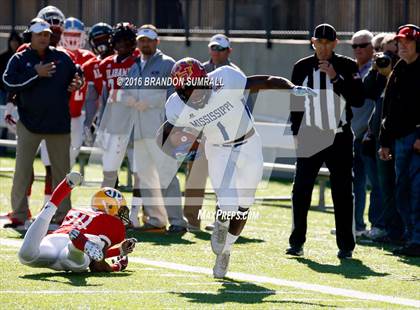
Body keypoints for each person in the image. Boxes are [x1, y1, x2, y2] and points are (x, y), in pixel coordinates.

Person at [159, 57, 315, 278]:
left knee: (244, 205)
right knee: (228, 202)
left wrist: (290, 88)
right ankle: (221, 221)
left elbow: (266, 81)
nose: (197, 94)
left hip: (249, 143)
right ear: (180, 91)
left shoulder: (225, 79)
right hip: (218, 148)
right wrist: (176, 144)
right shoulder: (174, 106)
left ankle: (227, 250)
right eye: (190, 90)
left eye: (199, 88)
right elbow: (172, 135)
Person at [287, 24, 365, 259]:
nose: (322, 47)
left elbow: (358, 99)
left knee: (342, 192)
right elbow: (295, 102)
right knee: (301, 189)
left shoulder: (348, 66)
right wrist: (296, 132)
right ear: (313, 42)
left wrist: (335, 77)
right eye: (318, 42)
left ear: (334, 44)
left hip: (339, 136)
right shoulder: (301, 67)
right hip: (310, 134)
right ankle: (296, 242)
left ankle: (346, 246)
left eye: (326, 43)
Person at [2, 19, 83, 228]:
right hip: (28, 123)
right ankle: (19, 214)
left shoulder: (62, 57)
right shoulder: (19, 58)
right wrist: (35, 74)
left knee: (62, 173)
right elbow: (8, 83)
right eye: (39, 34)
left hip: (58, 125)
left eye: (46, 34)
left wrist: (78, 82)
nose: (44, 38)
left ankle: (62, 215)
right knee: (22, 171)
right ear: (30, 36)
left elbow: (77, 75)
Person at [123, 24, 187, 233]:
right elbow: (125, 92)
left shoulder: (168, 64)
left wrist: (149, 101)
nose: (145, 43)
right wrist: (129, 98)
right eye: (142, 40)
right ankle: (156, 219)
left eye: (149, 40)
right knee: (146, 177)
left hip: (160, 131)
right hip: (139, 131)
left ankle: (177, 222)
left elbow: (175, 95)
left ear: (157, 41)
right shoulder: (134, 66)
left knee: (167, 176)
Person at [18, 172, 137, 272]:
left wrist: (119, 251)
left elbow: (97, 253)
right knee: (77, 264)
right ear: (111, 207)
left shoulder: (76, 210)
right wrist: (116, 267)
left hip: (54, 239)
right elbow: (97, 264)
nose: (122, 216)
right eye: (121, 210)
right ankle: (74, 248)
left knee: (26, 256)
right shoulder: (114, 223)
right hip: (79, 243)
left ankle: (57, 197)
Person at [184, 34, 242, 231]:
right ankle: (191, 221)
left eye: (220, 49)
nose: (216, 52)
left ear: (229, 51)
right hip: (201, 135)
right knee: (194, 179)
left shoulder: (235, 74)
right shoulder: (198, 71)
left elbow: (242, 107)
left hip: (224, 137)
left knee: (223, 182)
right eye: (213, 48)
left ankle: (221, 221)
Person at [378, 24, 420, 257]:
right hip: (398, 139)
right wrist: (384, 142)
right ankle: (410, 236)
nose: (402, 46)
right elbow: (388, 108)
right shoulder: (399, 69)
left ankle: (417, 239)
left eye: (408, 42)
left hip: (415, 139)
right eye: (400, 42)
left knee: (416, 190)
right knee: (401, 189)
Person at [350, 30, 383, 237]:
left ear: (372, 48)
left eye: (363, 45)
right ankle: (356, 225)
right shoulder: (352, 69)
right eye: (355, 46)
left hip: (370, 136)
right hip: (353, 135)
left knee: (376, 184)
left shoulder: (377, 71)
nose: (359, 49)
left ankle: (376, 226)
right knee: (356, 183)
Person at [60, 17, 96, 167]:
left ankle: (63, 188)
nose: (72, 39)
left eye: (76, 35)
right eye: (69, 34)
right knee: (50, 157)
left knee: (71, 156)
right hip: (55, 115)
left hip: (77, 116)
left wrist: (91, 119)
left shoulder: (89, 58)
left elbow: (97, 91)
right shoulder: (57, 54)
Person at [0, 31, 22, 154]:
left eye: (16, 40)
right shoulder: (3, 57)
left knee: (19, 120)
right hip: (4, 93)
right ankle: (2, 150)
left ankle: (18, 150)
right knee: (4, 119)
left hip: (19, 92)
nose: (14, 43)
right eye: (12, 40)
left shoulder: (22, 57)